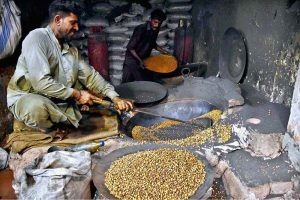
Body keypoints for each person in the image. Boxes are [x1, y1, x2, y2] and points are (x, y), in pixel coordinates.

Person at [6, 0, 133, 132]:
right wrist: (77, 95)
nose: (77, 28)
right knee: (37, 109)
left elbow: (91, 76)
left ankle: (58, 122)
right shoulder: (37, 38)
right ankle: (46, 126)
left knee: (90, 113)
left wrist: (114, 96)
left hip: (57, 100)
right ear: (58, 20)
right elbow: (40, 83)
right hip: (28, 97)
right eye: (73, 22)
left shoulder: (71, 50)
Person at [122, 8, 169, 83]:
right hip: (132, 59)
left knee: (143, 81)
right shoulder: (141, 29)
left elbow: (152, 43)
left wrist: (163, 51)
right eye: (155, 22)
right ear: (150, 19)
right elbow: (131, 48)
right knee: (128, 82)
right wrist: (140, 61)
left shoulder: (155, 29)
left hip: (143, 59)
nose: (157, 25)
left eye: (159, 23)